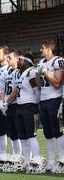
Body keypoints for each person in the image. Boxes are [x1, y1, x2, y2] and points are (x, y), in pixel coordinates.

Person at [7, 53, 40, 165]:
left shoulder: (31, 72)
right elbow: (16, 91)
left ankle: (36, 160)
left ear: (27, 61)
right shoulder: (21, 73)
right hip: (20, 107)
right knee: (23, 137)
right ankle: (26, 161)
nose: (18, 61)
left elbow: (37, 91)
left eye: (20, 59)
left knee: (31, 136)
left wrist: (35, 105)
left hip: (29, 107)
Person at [36, 40, 64, 170]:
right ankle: (52, 161)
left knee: (57, 130)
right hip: (44, 99)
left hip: (55, 99)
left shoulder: (57, 61)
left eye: (43, 48)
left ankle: (62, 160)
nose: (41, 50)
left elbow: (57, 83)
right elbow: (38, 85)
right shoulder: (41, 62)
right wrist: (38, 73)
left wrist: (46, 72)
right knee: (47, 132)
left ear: (49, 49)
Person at [0, 50, 22, 155]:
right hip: (8, 105)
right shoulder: (8, 71)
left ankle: (23, 157)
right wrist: (2, 100)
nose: (7, 59)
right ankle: (15, 155)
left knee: (19, 132)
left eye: (10, 57)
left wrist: (7, 102)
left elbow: (16, 89)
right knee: (12, 133)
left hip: (16, 104)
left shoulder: (18, 72)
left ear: (17, 59)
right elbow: (5, 89)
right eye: (7, 57)